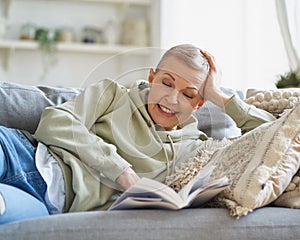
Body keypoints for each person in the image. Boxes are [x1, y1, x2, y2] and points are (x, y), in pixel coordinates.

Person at [0, 44, 276, 223]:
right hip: (22, 154)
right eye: (166, 83)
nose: (171, 98)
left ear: (198, 104)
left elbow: (272, 134)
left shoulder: (197, 151)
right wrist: (120, 169)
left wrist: (219, 96)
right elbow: (54, 121)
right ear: (152, 77)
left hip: (48, 204)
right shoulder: (113, 94)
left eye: (188, 94)